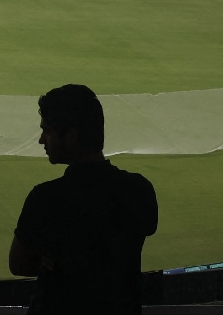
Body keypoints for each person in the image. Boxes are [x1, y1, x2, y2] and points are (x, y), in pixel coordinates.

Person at [9, 84, 158, 314]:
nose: (41, 140)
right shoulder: (140, 190)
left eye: (47, 131)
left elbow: (17, 264)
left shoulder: (45, 198)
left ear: (71, 136)